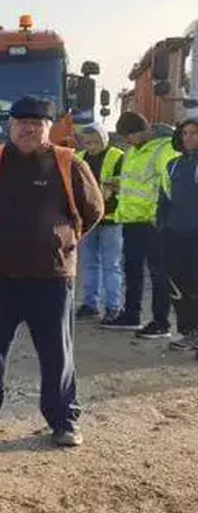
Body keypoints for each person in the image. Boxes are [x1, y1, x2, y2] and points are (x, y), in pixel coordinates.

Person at [0, 96, 104, 447]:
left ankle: (64, 421)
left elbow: (94, 209)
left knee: (57, 354)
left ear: (48, 128)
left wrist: (62, 242)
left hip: (50, 278)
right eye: (22, 122)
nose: (29, 129)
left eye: (37, 124)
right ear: (10, 125)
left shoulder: (68, 163)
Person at [101, 111, 179, 338]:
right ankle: (131, 314)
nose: (126, 141)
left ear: (141, 131)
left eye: (129, 136)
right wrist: (115, 183)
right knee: (132, 269)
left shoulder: (164, 149)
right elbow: (134, 183)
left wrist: (162, 218)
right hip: (132, 220)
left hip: (153, 223)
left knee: (158, 274)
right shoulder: (132, 152)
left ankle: (161, 322)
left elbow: (168, 186)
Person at [74, 123, 126, 323]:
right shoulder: (79, 158)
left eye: (95, 141)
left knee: (111, 265)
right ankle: (91, 305)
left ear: (104, 139)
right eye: (87, 142)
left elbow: (123, 185)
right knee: (89, 265)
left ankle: (113, 307)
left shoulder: (117, 156)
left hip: (111, 218)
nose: (92, 146)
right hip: (88, 221)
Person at [159, 119, 198, 351]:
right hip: (175, 235)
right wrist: (162, 228)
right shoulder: (173, 165)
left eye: (194, 133)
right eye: (185, 133)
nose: (189, 138)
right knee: (178, 285)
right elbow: (164, 199)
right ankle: (188, 331)